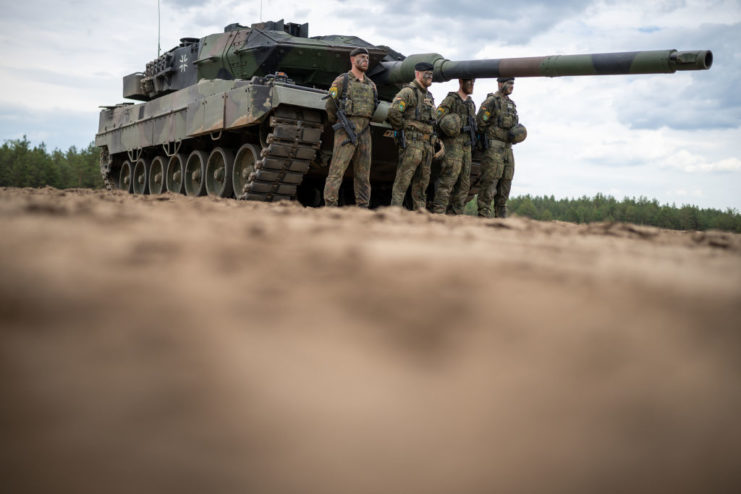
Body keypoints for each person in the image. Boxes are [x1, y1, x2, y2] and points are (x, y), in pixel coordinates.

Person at [323, 47, 378, 207]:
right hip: (346, 129)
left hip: (365, 131)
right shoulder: (342, 81)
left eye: (367, 58)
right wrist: (339, 123)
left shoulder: (372, 85)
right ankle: (330, 205)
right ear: (352, 60)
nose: (366, 60)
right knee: (336, 171)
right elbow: (330, 105)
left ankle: (362, 207)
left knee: (363, 174)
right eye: (362, 57)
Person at [386, 62, 437, 210]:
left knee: (422, 184)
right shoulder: (408, 92)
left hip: (427, 146)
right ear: (417, 74)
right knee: (403, 181)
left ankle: (419, 213)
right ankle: (394, 212)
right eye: (426, 74)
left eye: (431, 74)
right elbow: (394, 112)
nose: (429, 77)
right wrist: (405, 129)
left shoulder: (429, 96)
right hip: (412, 144)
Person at [475, 76, 526, 218]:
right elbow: (480, 124)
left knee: (505, 185)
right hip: (493, 150)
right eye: (509, 83)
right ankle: (483, 218)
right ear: (500, 83)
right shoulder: (491, 102)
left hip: (508, 150)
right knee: (489, 185)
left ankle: (501, 220)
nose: (512, 86)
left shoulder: (511, 105)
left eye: (513, 83)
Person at [432, 78, 476, 214]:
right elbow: (437, 116)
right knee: (447, 181)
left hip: (466, 148)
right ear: (461, 82)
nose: (472, 85)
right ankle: (438, 213)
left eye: (474, 82)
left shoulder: (471, 104)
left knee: (464, 185)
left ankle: (456, 215)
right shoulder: (451, 99)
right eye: (470, 82)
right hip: (452, 146)